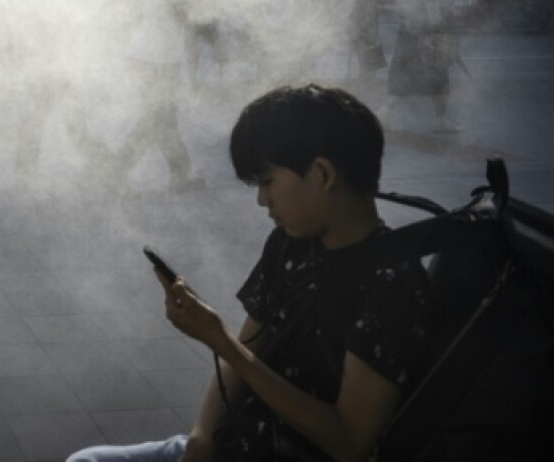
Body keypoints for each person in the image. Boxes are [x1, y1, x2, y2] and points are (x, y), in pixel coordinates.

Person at [67, 85, 436, 462]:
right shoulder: (290, 243)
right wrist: (202, 437)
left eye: (267, 181)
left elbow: (349, 441)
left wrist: (220, 340)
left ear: (323, 174)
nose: (262, 199)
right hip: (236, 443)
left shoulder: (392, 284)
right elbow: (249, 348)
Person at [110, 0, 203, 195]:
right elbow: (186, 22)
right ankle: (116, 173)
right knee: (155, 120)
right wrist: (193, 66)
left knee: (165, 120)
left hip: (144, 55)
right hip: (160, 60)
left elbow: (128, 13)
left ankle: (179, 175)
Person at [384, 0, 460, 133]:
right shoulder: (430, 1)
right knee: (439, 83)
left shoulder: (408, 0)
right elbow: (434, 23)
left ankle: (382, 114)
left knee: (403, 87)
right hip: (428, 50)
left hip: (410, 49)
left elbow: (407, 23)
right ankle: (441, 121)